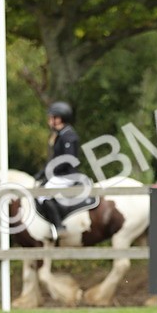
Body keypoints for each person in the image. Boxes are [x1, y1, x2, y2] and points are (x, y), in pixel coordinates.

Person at [38, 101, 87, 235]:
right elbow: (55, 159)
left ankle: (59, 226)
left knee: (42, 195)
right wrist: (42, 172)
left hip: (67, 175)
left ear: (59, 118)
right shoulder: (60, 135)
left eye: (51, 117)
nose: (49, 121)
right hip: (59, 174)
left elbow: (68, 160)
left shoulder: (68, 136)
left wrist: (50, 172)